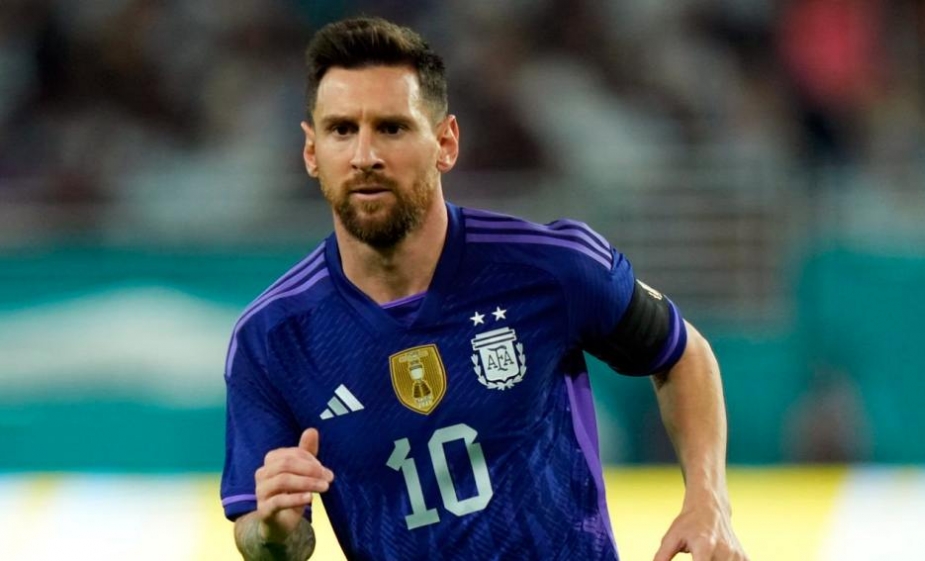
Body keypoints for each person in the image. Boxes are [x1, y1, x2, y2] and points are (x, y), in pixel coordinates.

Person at [221, 16, 748, 561]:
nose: (365, 156)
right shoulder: (271, 338)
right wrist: (274, 529)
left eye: (392, 128)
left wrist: (708, 501)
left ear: (445, 143)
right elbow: (269, 542)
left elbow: (683, 355)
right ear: (311, 152)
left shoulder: (551, 268)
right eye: (341, 130)